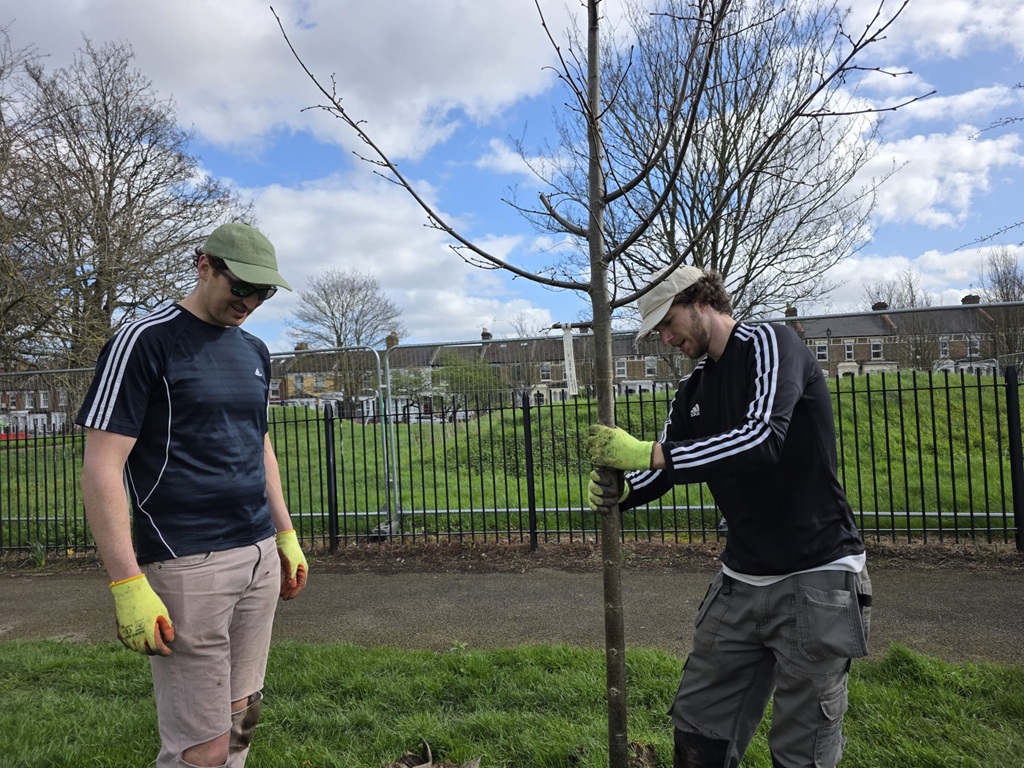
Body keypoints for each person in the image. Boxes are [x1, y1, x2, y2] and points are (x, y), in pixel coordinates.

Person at [587, 266, 870, 768]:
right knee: (699, 727)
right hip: (740, 579)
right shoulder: (693, 389)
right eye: (657, 332)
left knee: (801, 749)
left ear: (700, 301)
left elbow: (761, 439)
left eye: (669, 323)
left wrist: (650, 453)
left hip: (816, 574)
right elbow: (673, 462)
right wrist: (624, 491)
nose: (666, 338)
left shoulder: (770, 343)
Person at [77, 221, 309, 768]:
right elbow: (102, 466)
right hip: (188, 562)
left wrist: (285, 533)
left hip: (258, 557)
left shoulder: (254, 349)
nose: (250, 302)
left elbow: (261, 447)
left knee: (241, 720)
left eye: (264, 292)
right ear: (203, 265)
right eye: (241, 287)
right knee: (199, 749)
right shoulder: (144, 341)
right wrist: (126, 581)